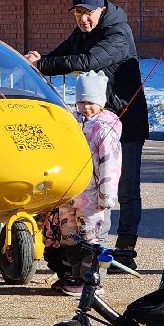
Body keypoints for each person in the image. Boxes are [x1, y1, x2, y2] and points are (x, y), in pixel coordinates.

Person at [25, 0, 150, 272]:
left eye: (88, 13)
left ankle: (125, 251)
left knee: (125, 188)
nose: (83, 19)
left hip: (127, 120)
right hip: (96, 122)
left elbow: (88, 61)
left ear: (101, 11)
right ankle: (84, 247)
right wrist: (36, 62)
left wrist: (42, 64)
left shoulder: (117, 33)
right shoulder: (82, 32)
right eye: (78, 14)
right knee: (89, 185)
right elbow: (63, 54)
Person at [50, 70, 123, 297]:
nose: (86, 107)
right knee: (70, 236)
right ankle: (73, 274)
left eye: (91, 103)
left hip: (93, 196)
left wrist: (107, 195)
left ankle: (92, 279)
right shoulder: (72, 123)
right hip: (70, 194)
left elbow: (110, 164)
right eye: (81, 102)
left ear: (101, 102)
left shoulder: (104, 129)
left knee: (92, 237)